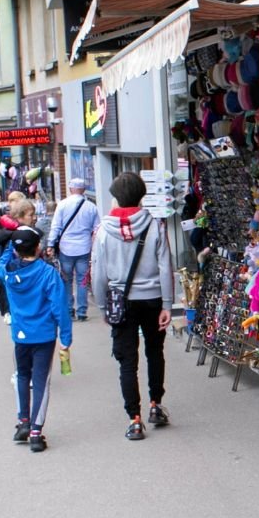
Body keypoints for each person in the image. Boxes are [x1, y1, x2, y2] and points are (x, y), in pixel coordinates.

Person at [92, 172, 174, 441]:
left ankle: (134, 419)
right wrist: (167, 304)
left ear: (116, 197)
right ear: (141, 197)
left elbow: (98, 273)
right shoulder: (155, 225)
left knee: (127, 361)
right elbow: (165, 267)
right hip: (152, 299)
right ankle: (156, 404)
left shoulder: (104, 230)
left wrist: (102, 306)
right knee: (155, 352)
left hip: (120, 300)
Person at [0, 225, 72, 453]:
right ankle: (36, 432)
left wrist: (11, 244)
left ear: (16, 251)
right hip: (44, 335)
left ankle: (23, 422)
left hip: (20, 335)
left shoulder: (7, 272)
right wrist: (65, 337)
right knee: (40, 381)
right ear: (38, 247)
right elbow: (60, 307)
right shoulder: (48, 273)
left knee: (22, 376)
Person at [48, 177, 100, 322]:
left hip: (66, 247)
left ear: (70, 189)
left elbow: (56, 226)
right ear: (84, 190)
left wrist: (50, 244)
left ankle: (69, 310)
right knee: (82, 280)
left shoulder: (62, 205)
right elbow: (97, 229)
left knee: (67, 280)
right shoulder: (91, 207)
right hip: (84, 247)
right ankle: (82, 311)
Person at [0, 199, 34, 323]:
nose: (34, 218)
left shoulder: (7, 233)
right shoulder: (17, 235)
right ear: (20, 216)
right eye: (31, 215)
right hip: (18, 280)